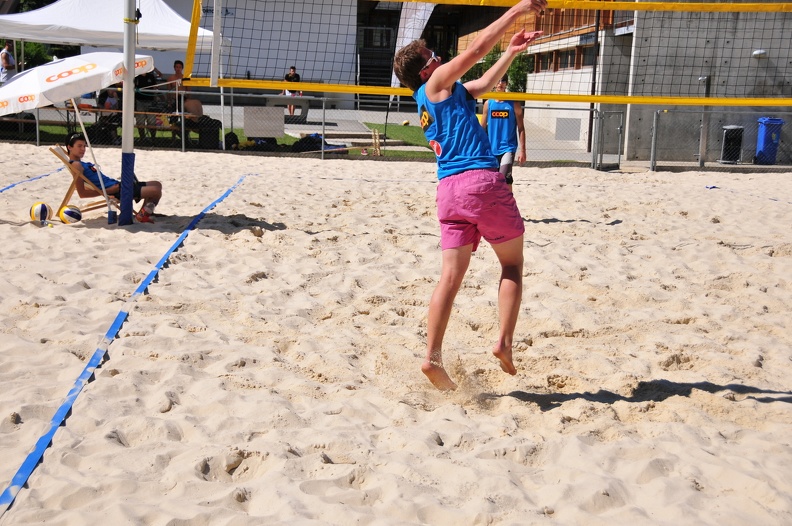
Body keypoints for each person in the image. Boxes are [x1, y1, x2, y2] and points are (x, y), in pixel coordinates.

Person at [393, 0, 545, 391]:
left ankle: (432, 357)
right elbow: (475, 51)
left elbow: (483, 83)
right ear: (425, 69)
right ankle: (504, 343)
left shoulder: (435, 98)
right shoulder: (437, 81)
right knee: (511, 266)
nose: (440, 57)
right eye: (432, 56)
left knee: (449, 278)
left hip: (448, 192)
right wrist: (517, 10)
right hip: (480, 181)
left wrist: (511, 51)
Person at [65, 132, 163, 223]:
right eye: (79, 146)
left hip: (118, 186)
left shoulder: (81, 163)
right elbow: (82, 193)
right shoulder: (76, 165)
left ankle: (144, 213)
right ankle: (142, 215)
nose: (83, 149)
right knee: (156, 190)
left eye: (84, 146)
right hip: (116, 191)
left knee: (157, 184)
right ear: (69, 147)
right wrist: (109, 190)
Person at [481, 76, 526, 189]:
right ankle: (508, 204)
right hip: (491, 149)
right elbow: (481, 129)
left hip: (508, 148)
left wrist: (523, 151)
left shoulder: (514, 103)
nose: (500, 83)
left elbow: (521, 128)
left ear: (506, 84)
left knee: (501, 178)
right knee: (502, 180)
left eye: (503, 81)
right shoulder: (488, 103)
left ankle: (505, 205)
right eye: (498, 80)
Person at [135, 67, 163, 145]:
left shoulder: (151, 76)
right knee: (140, 121)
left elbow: (156, 85)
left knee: (152, 121)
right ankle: (142, 138)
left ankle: (153, 139)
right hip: (139, 101)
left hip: (150, 101)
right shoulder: (136, 77)